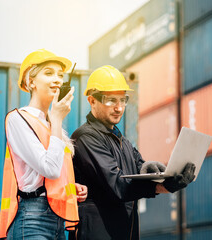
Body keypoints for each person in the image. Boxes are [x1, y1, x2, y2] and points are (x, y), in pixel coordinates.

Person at [70, 65, 196, 240]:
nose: (119, 107)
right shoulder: (86, 138)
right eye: (111, 100)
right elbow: (118, 186)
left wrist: (164, 174)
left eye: (123, 100)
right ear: (92, 100)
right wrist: (165, 186)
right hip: (97, 233)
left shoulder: (124, 142)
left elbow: (140, 170)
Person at [0, 49, 88, 240]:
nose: (57, 79)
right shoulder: (17, 118)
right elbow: (50, 169)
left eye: (60, 75)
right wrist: (56, 118)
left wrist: (71, 186)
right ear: (31, 81)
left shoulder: (50, 123)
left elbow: (50, 175)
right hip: (31, 219)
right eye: (48, 73)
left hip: (56, 219)